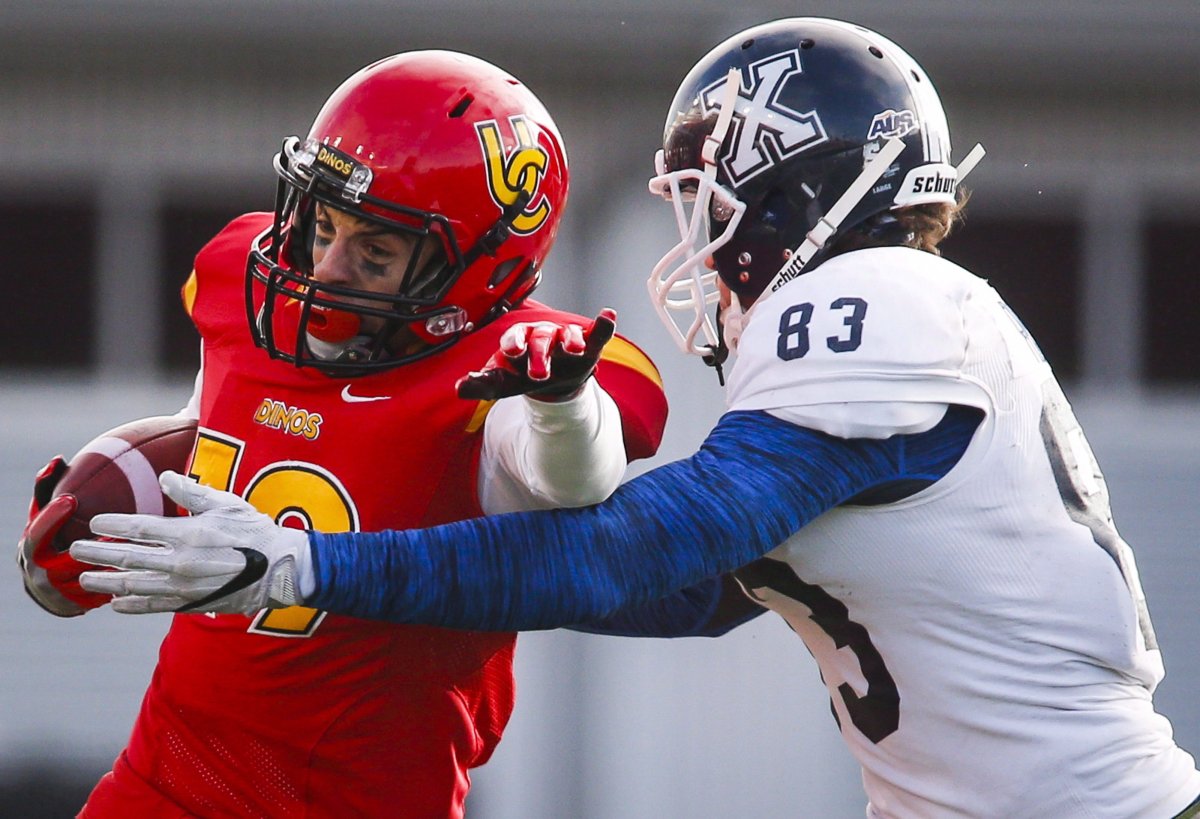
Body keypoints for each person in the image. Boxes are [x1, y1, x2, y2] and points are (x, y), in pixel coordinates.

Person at [72, 18, 1200, 819]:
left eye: (709, 207)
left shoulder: (881, 303)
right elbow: (690, 599)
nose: (697, 245)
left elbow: (632, 549)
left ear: (790, 198)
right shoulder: (893, 328)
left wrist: (310, 567)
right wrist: (406, 541)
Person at [18, 50, 668, 818]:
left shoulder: (501, 370)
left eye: (376, 250)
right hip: (161, 781)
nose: (325, 267)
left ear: (475, 271)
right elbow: (210, 434)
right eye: (324, 223)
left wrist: (560, 399)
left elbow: (574, 479)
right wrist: (105, 521)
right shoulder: (242, 284)